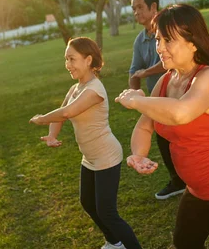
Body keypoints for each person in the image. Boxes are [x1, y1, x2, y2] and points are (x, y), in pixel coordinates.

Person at [116, 4, 209, 249]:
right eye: (158, 40)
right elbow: (145, 126)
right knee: (184, 244)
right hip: (197, 188)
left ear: (193, 42)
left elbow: (181, 114)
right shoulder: (165, 81)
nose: (159, 48)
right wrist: (138, 154)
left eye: (168, 40)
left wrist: (136, 100)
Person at [29, 37, 141, 249]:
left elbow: (69, 112)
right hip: (90, 157)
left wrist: (42, 118)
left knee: (107, 212)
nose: (68, 65)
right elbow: (62, 113)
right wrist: (52, 134)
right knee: (88, 203)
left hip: (106, 156)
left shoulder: (94, 89)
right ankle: (114, 242)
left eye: (72, 59)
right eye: (66, 60)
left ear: (88, 60)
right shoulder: (75, 89)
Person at [128, 0, 185, 200]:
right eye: (133, 9)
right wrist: (134, 92)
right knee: (162, 138)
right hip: (156, 99)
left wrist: (144, 72)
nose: (136, 13)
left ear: (154, 7)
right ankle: (178, 180)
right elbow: (134, 71)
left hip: (179, 96)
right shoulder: (139, 40)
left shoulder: (171, 30)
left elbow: (169, 62)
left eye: (140, 7)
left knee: (185, 138)